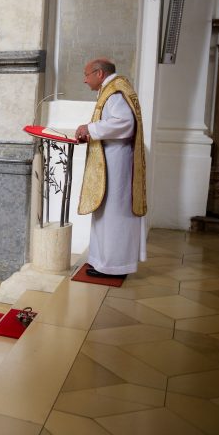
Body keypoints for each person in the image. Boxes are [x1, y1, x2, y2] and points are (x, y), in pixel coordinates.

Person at [75, 58, 147, 279]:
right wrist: (93, 134)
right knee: (105, 212)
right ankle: (103, 262)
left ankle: (114, 266)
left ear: (99, 73)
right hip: (110, 158)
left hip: (116, 163)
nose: (84, 80)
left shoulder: (115, 92)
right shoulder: (113, 89)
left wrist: (91, 128)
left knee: (114, 212)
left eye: (86, 74)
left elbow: (125, 124)